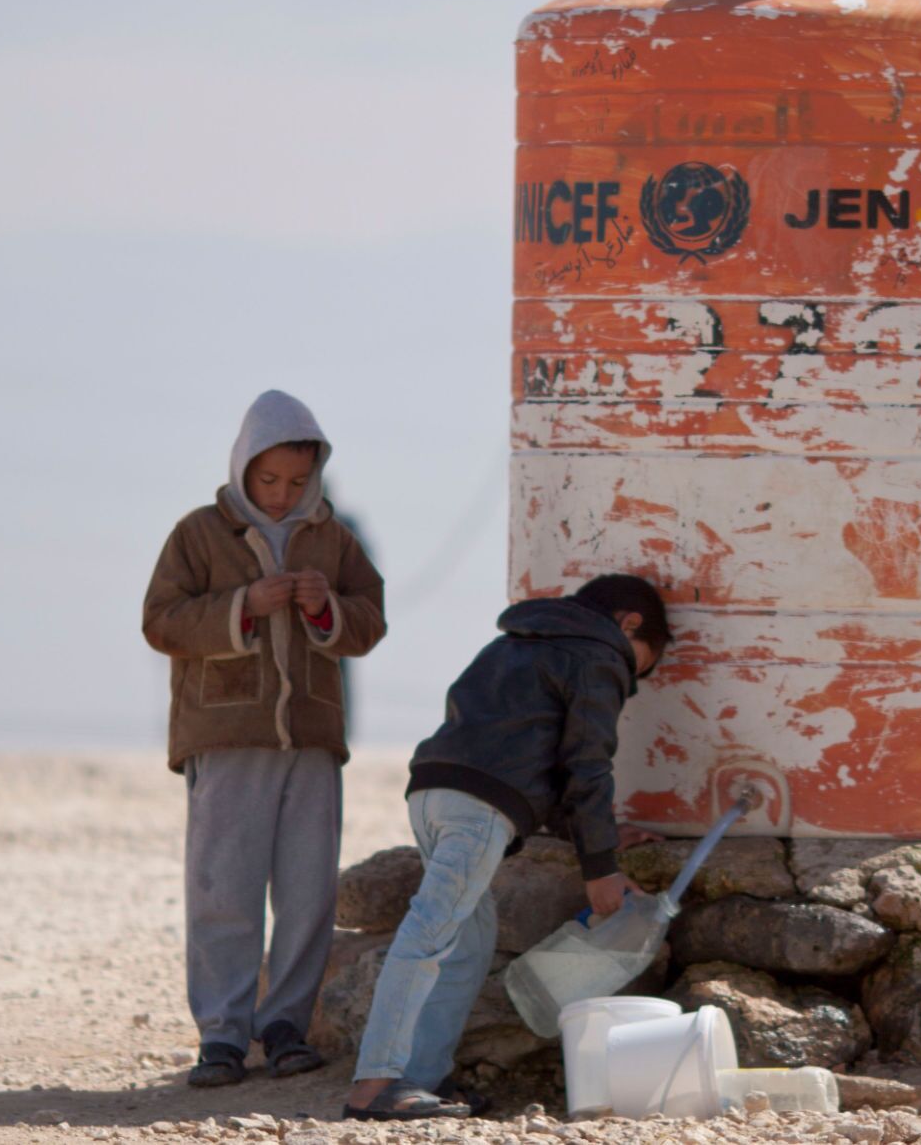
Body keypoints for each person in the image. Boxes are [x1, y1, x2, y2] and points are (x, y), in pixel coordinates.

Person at [343, 575, 671, 1122]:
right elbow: (587, 767)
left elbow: (529, 755)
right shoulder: (599, 654)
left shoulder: (513, 641)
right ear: (629, 625)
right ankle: (374, 1086)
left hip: (432, 791)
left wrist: (601, 837)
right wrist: (601, 869)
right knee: (429, 934)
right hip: (478, 808)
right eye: (643, 666)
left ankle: (421, 1078)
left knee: (469, 941)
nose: (634, 679)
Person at [142, 390, 387, 1088]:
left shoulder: (334, 539)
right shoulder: (197, 534)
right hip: (225, 738)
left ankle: (285, 1027)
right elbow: (161, 621)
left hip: (311, 739)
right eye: (268, 479)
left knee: (309, 893)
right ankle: (222, 1035)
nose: (282, 494)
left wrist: (325, 607)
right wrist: (242, 606)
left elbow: (369, 622)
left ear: (316, 475)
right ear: (243, 467)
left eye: (297, 481)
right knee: (224, 889)